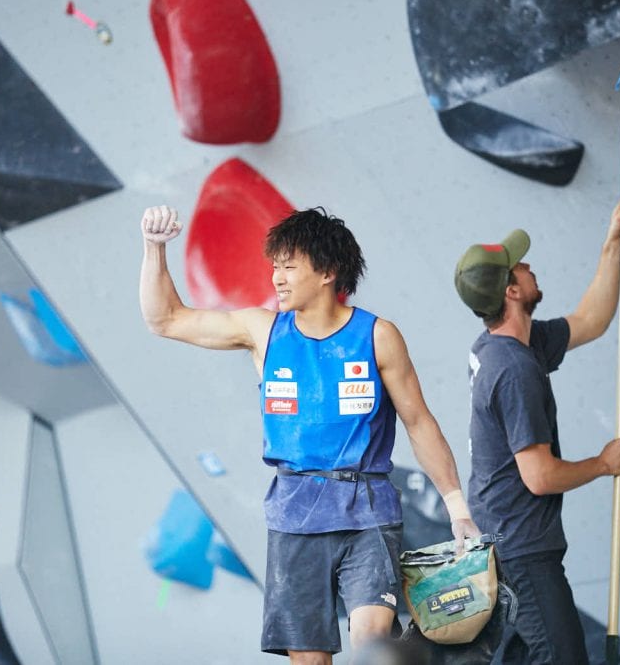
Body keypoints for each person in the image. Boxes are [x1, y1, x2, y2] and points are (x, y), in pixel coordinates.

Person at [140, 204, 479, 664]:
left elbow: (419, 422)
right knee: (309, 659)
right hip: (293, 514)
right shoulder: (262, 330)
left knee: (372, 639)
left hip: (368, 509)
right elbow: (165, 320)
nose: (276, 278)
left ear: (327, 271)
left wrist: (457, 508)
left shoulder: (378, 335)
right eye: (274, 267)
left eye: (288, 267)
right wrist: (154, 247)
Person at [453, 196, 620, 665]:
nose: (529, 265)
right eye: (519, 266)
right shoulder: (514, 369)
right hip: (523, 553)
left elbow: (590, 321)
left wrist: (613, 244)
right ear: (512, 292)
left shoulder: (505, 345)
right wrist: (603, 464)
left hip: (506, 543)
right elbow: (538, 476)